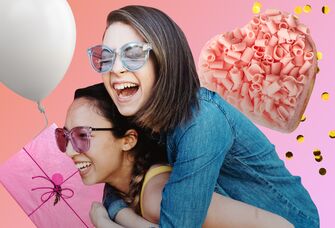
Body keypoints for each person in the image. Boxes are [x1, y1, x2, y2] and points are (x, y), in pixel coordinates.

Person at [87, 5, 320, 227]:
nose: (116, 68)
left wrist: (109, 220)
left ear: (165, 59)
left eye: (134, 54)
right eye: (106, 56)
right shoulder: (139, 112)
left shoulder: (201, 120)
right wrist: (117, 207)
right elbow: (117, 175)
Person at [56, 83, 293, 228]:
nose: (68, 150)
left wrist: (106, 223)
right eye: (64, 136)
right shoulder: (129, 193)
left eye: (81, 135)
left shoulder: (156, 195)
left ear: (128, 140)